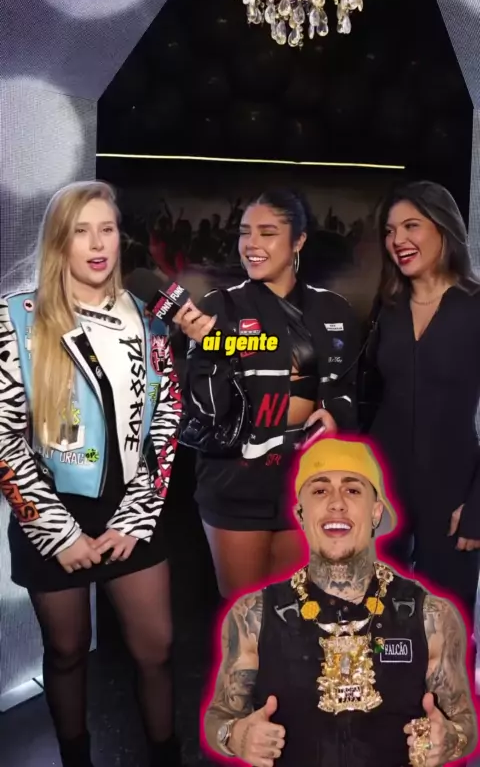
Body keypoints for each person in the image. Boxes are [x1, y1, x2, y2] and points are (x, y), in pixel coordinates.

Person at [0, 182, 182, 767]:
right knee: (68, 651)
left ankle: (167, 758)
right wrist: (57, 532)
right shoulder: (16, 319)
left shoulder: (149, 322)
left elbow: (166, 421)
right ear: (60, 242)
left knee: (157, 650)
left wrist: (137, 514)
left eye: (106, 229)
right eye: (81, 231)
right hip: (51, 511)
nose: (98, 244)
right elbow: (3, 436)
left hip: (134, 507)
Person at [203, 436, 477, 767]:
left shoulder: (431, 615)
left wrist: (451, 739)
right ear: (300, 513)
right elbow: (219, 716)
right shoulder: (253, 615)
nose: (337, 503)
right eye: (320, 490)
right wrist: (234, 736)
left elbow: (466, 724)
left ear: (376, 512)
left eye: (353, 490)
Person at [173, 189, 359, 598]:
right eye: (245, 232)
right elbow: (205, 411)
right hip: (236, 485)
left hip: (308, 483)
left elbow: (348, 392)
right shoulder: (219, 307)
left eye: (267, 233)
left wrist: (334, 415)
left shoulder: (334, 310)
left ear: (299, 240)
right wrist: (210, 351)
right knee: (247, 614)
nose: (251, 244)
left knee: (295, 611)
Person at [359, 180, 480, 615]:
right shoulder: (388, 308)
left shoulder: (475, 306)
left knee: (446, 627)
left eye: (411, 226)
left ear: (443, 228)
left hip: (454, 493)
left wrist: (478, 506)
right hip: (382, 490)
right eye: (390, 231)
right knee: (375, 622)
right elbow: (368, 398)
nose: (398, 240)